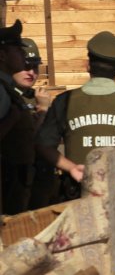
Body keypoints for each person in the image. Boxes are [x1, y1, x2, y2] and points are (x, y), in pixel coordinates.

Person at [36, 31, 115, 269]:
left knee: (76, 263)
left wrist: (71, 168)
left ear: (87, 65)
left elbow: (44, 145)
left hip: (76, 193)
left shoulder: (64, 103)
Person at [8, 39, 58, 211]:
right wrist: (43, 110)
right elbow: (28, 139)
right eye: (25, 66)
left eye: (35, 67)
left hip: (39, 178)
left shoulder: (34, 95)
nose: (31, 72)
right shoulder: (8, 97)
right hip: (17, 178)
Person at [0, 21, 32, 215]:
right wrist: (13, 117)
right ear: (2, 55)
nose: (23, 55)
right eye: (17, 51)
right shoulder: (2, 91)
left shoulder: (8, 87)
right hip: (6, 180)